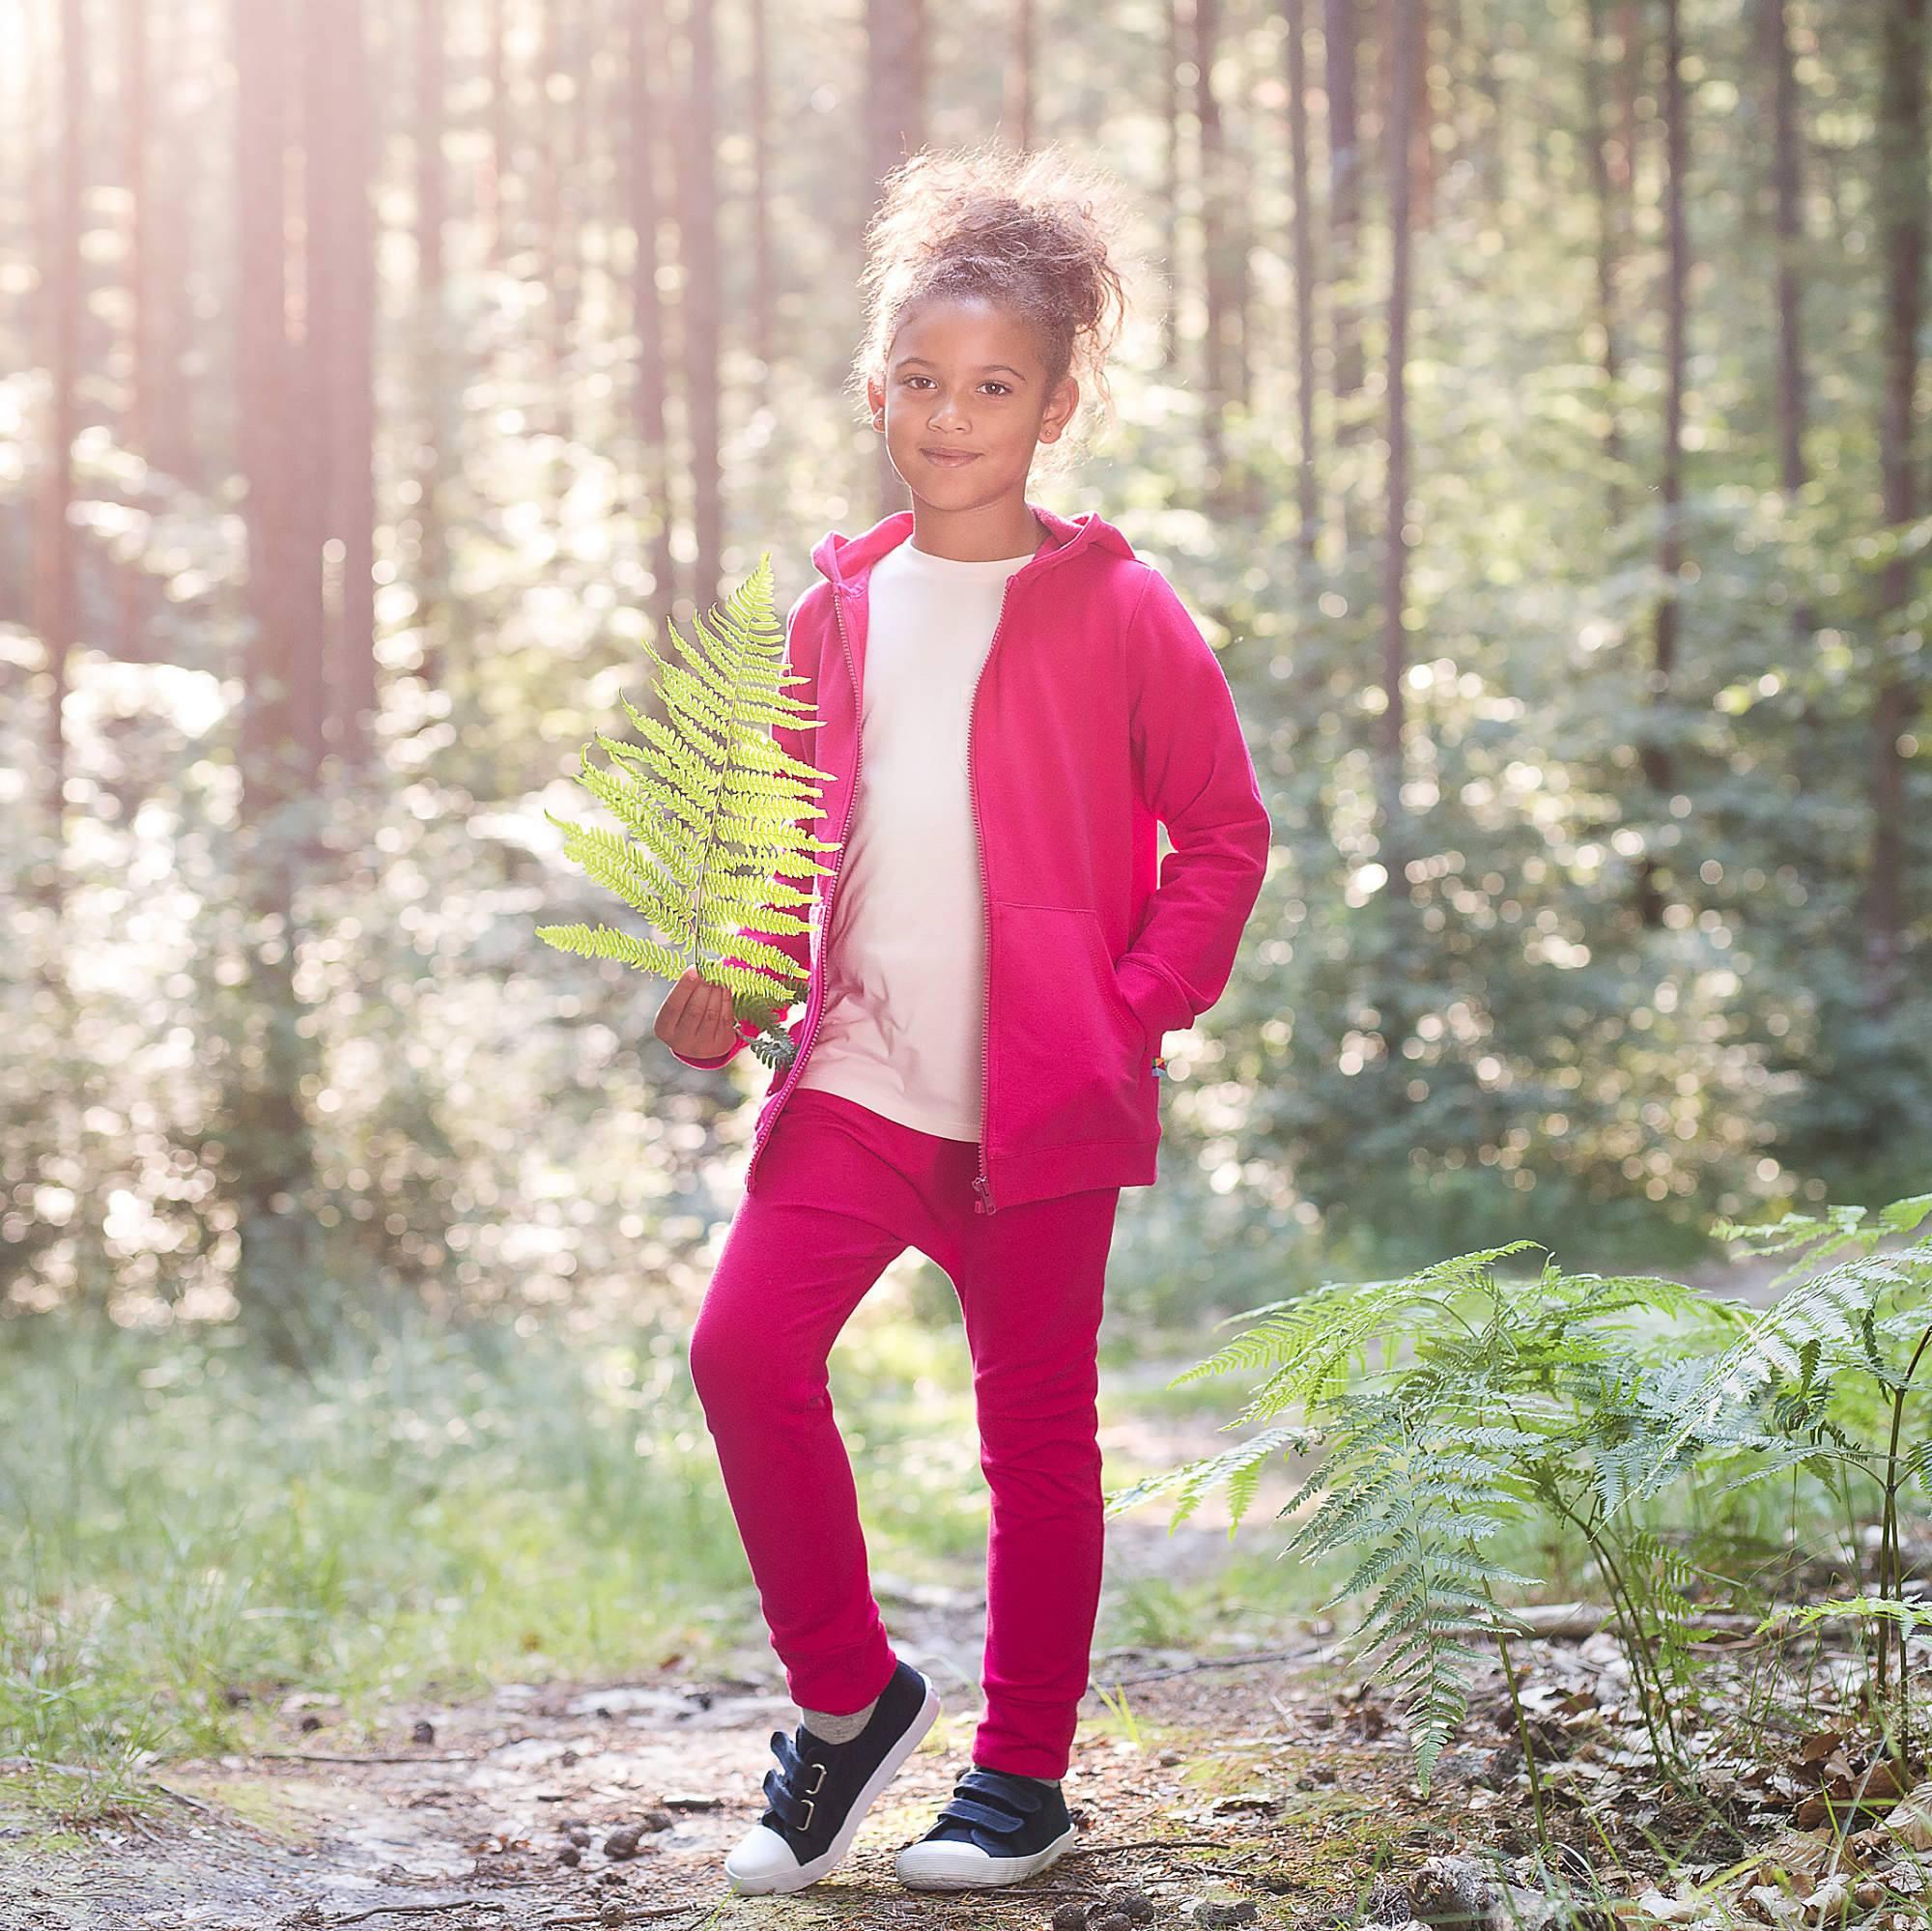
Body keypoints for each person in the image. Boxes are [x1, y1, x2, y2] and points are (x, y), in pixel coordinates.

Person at [653, 139, 1272, 1897]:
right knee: (741, 1352)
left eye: (993, 386)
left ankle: (1022, 1774)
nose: (950, 415)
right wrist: (725, 994)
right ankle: (849, 1710)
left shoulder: (1122, 610)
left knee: (1038, 1439)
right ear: (876, 390)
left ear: (1057, 406)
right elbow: (783, 875)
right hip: (854, 1085)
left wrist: (1129, 1010)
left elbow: (1226, 836)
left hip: (1039, 1111)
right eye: (920, 381)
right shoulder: (831, 616)